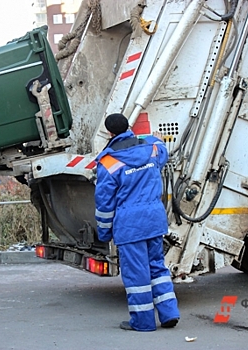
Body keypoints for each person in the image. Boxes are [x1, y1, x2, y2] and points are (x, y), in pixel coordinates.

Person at [94, 113, 180, 331]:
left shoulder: (108, 162)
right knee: (157, 268)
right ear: (128, 127)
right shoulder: (151, 150)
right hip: (154, 220)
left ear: (110, 133)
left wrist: (104, 233)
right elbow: (161, 148)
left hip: (130, 226)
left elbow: (104, 203)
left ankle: (143, 322)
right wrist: (158, 138)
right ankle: (169, 313)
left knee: (137, 274)